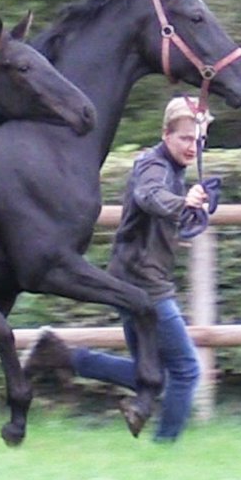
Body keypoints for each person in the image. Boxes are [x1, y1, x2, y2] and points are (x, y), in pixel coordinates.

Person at [24, 95, 219, 442]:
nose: (193, 147)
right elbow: (149, 196)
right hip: (143, 284)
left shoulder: (173, 169)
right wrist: (182, 202)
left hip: (131, 277)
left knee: (151, 373)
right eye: (186, 139)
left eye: (198, 140)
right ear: (166, 134)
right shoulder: (153, 166)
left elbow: (155, 210)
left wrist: (182, 216)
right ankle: (165, 448)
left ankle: (59, 355)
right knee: (187, 371)